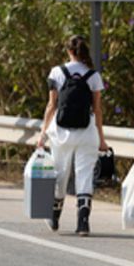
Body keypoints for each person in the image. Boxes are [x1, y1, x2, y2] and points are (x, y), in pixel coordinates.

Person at [37, 36, 110, 235]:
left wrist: (43, 134)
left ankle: (54, 217)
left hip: (61, 133)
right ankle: (83, 223)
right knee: (84, 176)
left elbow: (52, 105)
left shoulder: (57, 72)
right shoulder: (93, 76)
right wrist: (101, 139)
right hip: (87, 133)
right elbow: (97, 109)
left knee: (61, 175)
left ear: (69, 51)